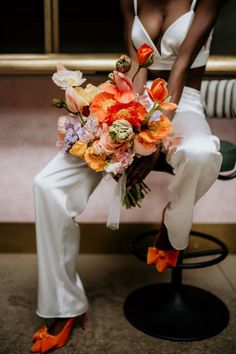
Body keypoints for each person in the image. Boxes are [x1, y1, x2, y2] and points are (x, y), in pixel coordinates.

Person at [31, 0, 225, 352]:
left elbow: (180, 68)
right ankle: (65, 306)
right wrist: (123, 119)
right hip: (131, 100)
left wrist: (152, 139)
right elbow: (137, 65)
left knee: (201, 154)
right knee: (47, 184)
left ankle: (172, 227)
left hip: (184, 101)